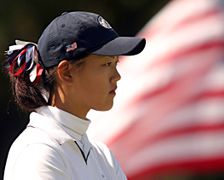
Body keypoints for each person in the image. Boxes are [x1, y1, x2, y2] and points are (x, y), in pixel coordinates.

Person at [3, 11, 145, 180]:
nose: (117, 76)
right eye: (106, 63)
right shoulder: (38, 151)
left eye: (115, 63)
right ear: (66, 72)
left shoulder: (103, 156)